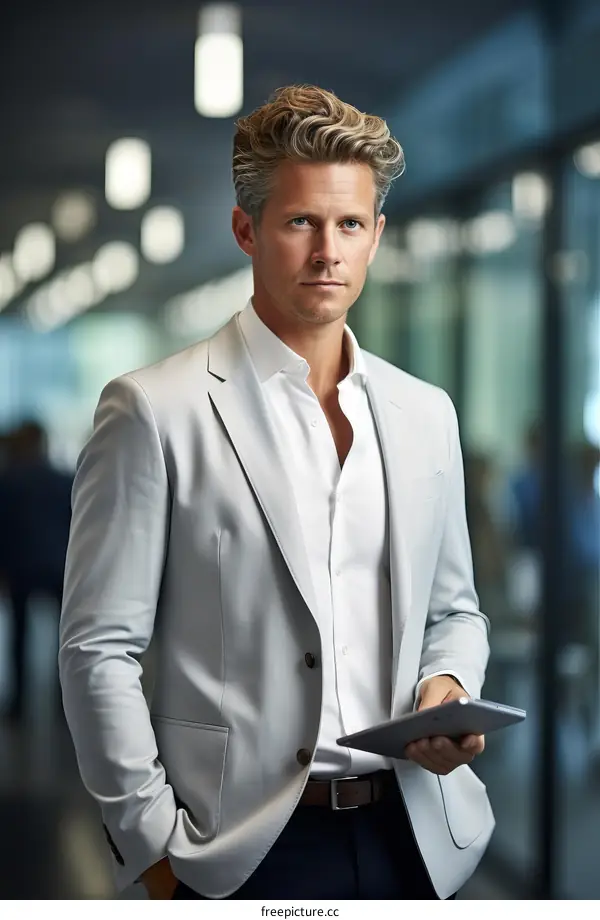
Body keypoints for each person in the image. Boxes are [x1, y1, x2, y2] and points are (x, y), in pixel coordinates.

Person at [59, 85, 493, 901]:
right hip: (239, 849)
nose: (329, 251)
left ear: (377, 237)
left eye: (351, 225)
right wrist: (153, 848)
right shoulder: (153, 409)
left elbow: (454, 610)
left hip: (419, 841)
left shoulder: (424, 413)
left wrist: (449, 688)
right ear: (246, 229)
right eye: (301, 223)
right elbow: (97, 650)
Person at [0, 420, 73, 720]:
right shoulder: (64, 478)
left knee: (19, 633)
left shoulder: (7, 481)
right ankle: (64, 701)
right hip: (59, 565)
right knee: (65, 636)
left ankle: (19, 702)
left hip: (20, 566)